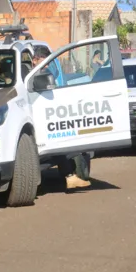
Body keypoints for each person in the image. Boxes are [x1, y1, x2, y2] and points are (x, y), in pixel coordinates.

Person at [32, 49, 91, 189]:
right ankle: (70, 176)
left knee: (59, 145)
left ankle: (71, 176)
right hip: (37, 115)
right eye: (43, 61)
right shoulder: (34, 72)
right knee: (56, 146)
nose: (45, 65)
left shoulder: (47, 69)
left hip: (48, 113)